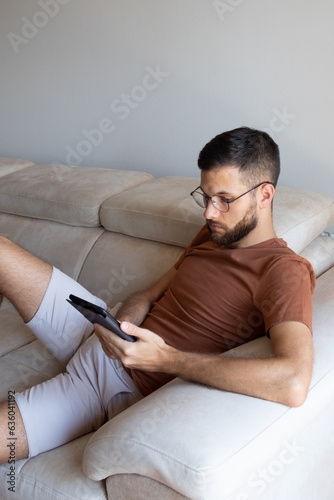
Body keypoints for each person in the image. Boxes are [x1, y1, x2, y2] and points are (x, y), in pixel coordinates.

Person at [0, 127, 315, 464]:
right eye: (205, 197)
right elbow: (149, 294)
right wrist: (123, 321)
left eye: (224, 199)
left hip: (110, 384)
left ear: (264, 195)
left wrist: (164, 359)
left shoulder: (283, 271)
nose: (209, 212)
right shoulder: (212, 235)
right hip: (101, 329)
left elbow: (293, 382)